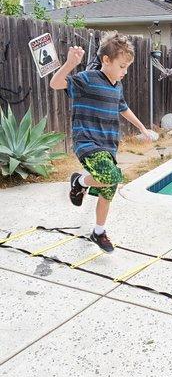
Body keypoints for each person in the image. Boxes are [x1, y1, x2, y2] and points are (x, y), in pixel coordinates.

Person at [50, 31, 158, 252]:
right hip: (87, 142)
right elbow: (55, 83)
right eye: (122, 66)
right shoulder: (87, 79)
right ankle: (79, 182)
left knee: (109, 187)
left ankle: (98, 232)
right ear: (106, 60)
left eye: (127, 67)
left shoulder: (116, 86)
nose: (125, 72)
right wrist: (70, 63)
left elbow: (123, 108)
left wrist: (142, 128)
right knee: (111, 176)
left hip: (108, 145)